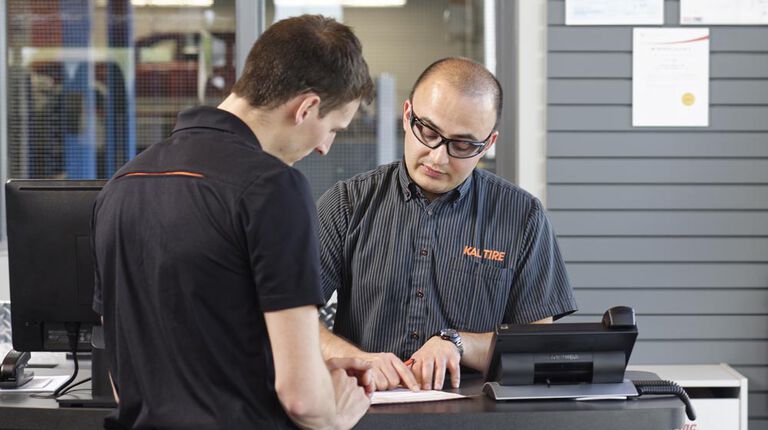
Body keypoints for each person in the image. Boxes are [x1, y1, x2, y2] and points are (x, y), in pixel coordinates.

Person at [92, 15, 375, 429]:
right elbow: (301, 398)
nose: (324, 149)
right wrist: (335, 412)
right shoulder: (274, 188)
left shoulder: (122, 184)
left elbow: (124, 378)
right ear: (307, 107)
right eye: (332, 129)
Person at [317, 57, 578, 392]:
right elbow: (293, 322)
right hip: (364, 407)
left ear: (488, 144)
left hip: (475, 414)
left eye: (462, 145)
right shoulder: (347, 204)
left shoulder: (522, 217)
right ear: (408, 115)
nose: (438, 158)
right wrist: (358, 359)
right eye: (428, 132)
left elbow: (539, 347)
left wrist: (458, 343)